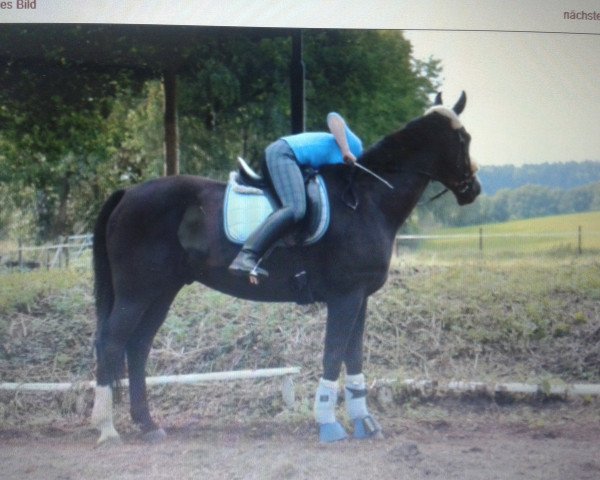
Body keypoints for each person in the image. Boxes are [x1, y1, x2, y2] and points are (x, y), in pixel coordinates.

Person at [228, 112, 362, 280]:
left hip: (288, 157)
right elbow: (333, 118)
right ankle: (246, 255)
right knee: (295, 208)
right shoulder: (356, 148)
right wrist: (346, 150)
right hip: (283, 154)